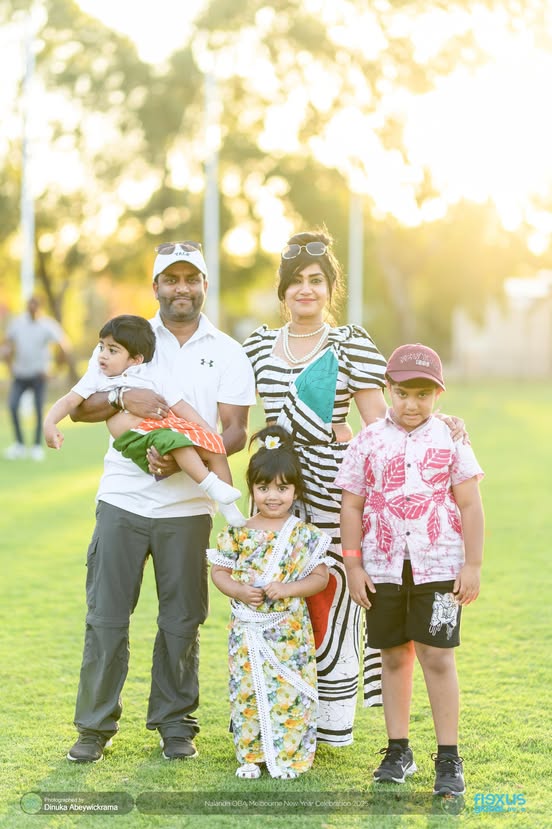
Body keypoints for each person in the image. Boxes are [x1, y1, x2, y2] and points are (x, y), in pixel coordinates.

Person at [65, 241, 256, 762]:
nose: (181, 288)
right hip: (123, 501)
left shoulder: (229, 350)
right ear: (156, 287)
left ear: (204, 285)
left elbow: (236, 430)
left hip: (190, 507)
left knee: (182, 621)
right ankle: (94, 728)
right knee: (106, 617)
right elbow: (83, 407)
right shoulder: (126, 335)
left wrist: (182, 453)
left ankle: (176, 725)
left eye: (190, 278)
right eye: (170, 279)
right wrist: (126, 397)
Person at [243, 230, 389, 747]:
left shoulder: (350, 343)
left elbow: (378, 425)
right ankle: (276, 710)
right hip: (274, 490)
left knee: (331, 592)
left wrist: (441, 429)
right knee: (278, 590)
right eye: (296, 283)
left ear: (330, 289)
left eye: (316, 281)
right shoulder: (257, 346)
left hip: (333, 489)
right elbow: (232, 419)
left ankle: (330, 721)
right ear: (282, 292)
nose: (306, 290)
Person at [336, 343, 484, 797]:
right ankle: (398, 749)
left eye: (423, 394)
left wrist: (473, 564)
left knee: (437, 656)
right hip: (382, 569)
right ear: (388, 390)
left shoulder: (451, 438)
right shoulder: (368, 440)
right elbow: (352, 504)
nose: (412, 404)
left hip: (439, 567)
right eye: (402, 393)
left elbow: (470, 503)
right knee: (394, 655)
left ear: (438, 395)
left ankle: (449, 757)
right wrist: (354, 564)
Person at [208, 425, 333, 779]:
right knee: (247, 690)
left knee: (289, 692)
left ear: (295, 490)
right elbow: (219, 572)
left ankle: (291, 757)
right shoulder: (239, 532)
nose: (272, 496)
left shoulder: (304, 536)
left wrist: (289, 589)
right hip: (247, 633)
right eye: (263, 488)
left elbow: (320, 577)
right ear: (252, 489)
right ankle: (251, 755)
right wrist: (237, 590)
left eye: (282, 488)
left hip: (289, 633)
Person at [43, 314, 245, 526]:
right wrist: (50, 423)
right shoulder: (98, 376)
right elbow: (69, 402)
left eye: (112, 350)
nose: (102, 355)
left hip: (162, 427)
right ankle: (211, 484)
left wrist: (206, 430)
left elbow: (179, 406)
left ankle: (228, 507)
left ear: (136, 359)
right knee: (178, 443)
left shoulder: (153, 374)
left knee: (215, 447)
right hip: (137, 437)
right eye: (101, 346)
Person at [2, 295, 70, 461]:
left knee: (39, 410)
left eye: (35, 305)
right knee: (12, 406)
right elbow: (6, 345)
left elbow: (64, 345)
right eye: (30, 305)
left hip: (38, 375)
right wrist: (10, 366)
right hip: (20, 374)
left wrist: (56, 370)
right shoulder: (17, 323)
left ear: (39, 307)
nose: (32, 308)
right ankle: (19, 444)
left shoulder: (47, 325)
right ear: (27, 306)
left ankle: (36, 446)